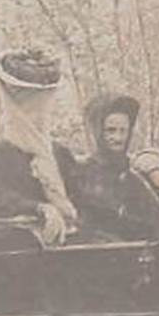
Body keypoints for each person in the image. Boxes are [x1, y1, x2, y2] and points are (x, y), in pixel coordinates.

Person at [0, 49, 81, 245]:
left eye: (44, 103)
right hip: (24, 250)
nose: (40, 113)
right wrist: (40, 208)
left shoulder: (60, 154)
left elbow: (81, 195)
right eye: (31, 104)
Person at [63, 92, 152, 242]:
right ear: (98, 132)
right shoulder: (80, 172)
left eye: (123, 130)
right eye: (110, 131)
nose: (118, 138)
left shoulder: (137, 171)